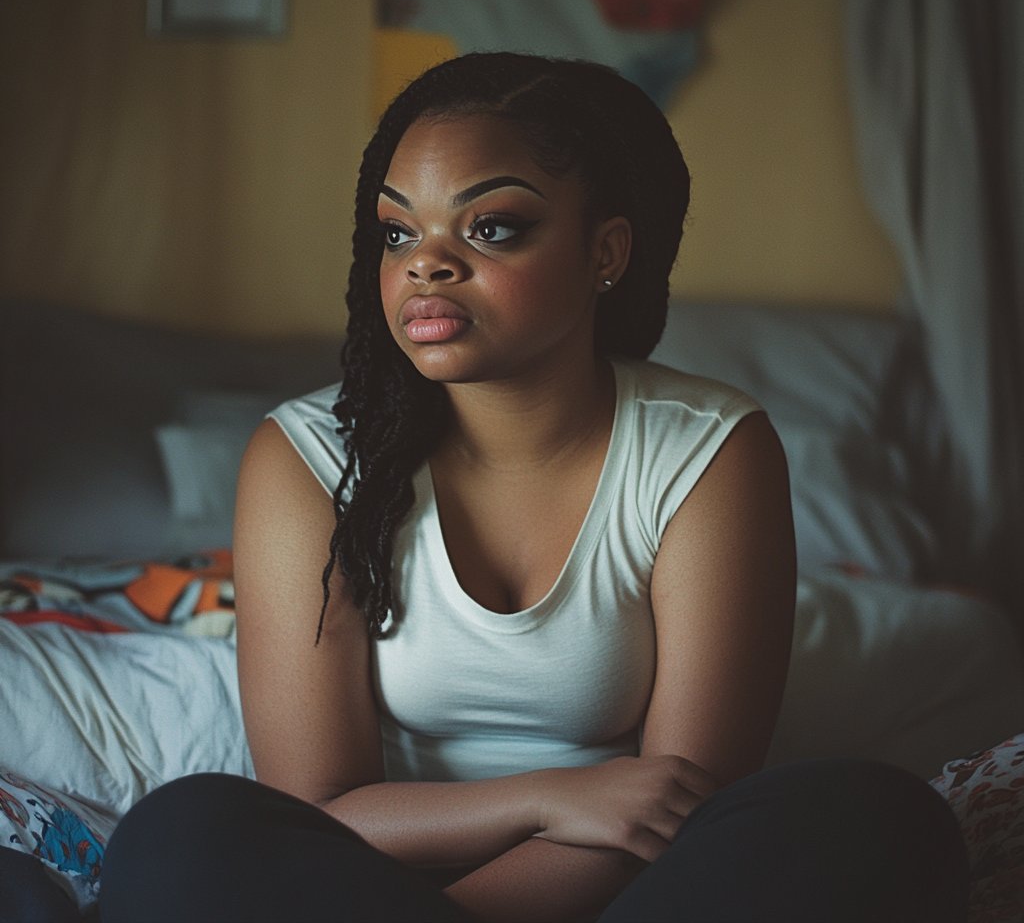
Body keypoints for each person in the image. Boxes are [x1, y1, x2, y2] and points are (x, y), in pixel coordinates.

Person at [99, 53, 969, 923]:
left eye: (491, 228)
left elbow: (678, 802)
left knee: (878, 819)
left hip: (627, 887)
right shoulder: (306, 457)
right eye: (398, 233)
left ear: (606, 252)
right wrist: (551, 797)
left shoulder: (709, 450)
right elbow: (322, 808)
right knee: (181, 833)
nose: (426, 266)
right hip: (365, 887)